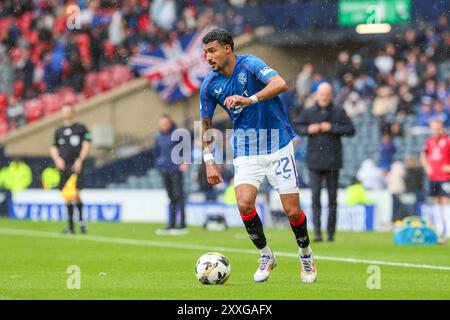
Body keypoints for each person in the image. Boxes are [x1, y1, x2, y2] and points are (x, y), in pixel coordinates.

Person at [200, 29, 316, 283]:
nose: (207, 56)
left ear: (227, 49)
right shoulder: (209, 85)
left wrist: (250, 99)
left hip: (278, 145)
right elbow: (206, 125)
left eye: (212, 50)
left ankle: (305, 254)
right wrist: (209, 161)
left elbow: (280, 83)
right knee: (243, 203)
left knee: (293, 212)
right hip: (246, 150)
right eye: (205, 51)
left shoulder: (250, 64)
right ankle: (266, 255)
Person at [295, 82, 355, 242]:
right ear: (317, 95)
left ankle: (330, 234)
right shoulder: (309, 112)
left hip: (333, 161)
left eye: (327, 94)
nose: (324, 97)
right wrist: (308, 130)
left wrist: (332, 127)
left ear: (331, 95)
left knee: (332, 199)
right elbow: (297, 127)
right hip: (314, 161)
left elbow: (351, 129)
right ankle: (317, 233)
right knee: (315, 198)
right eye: (322, 94)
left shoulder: (338, 111)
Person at [50, 105, 92, 234]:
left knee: (76, 193)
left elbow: (87, 144)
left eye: (68, 110)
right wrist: (57, 159)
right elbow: (53, 147)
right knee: (67, 196)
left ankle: (81, 222)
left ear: (73, 112)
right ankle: (71, 226)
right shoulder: (59, 130)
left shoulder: (81, 128)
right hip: (64, 167)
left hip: (76, 166)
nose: (66, 113)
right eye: (64, 111)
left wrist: (80, 159)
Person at [154, 114, 189, 235]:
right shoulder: (158, 136)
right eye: (161, 123)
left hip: (176, 169)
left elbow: (185, 148)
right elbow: (157, 152)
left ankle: (183, 225)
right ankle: (172, 224)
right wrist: (159, 165)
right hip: (165, 170)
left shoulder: (177, 134)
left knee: (178, 197)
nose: (163, 126)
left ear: (170, 123)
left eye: (165, 123)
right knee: (171, 198)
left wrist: (184, 162)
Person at [420, 119, 450, 243]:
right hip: (434, 177)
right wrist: (427, 166)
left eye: (437, 128)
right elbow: (423, 155)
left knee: (446, 201)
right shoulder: (429, 141)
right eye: (433, 128)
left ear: (441, 128)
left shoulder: (447, 140)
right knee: (436, 201)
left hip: (445, 177)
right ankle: (439, 228)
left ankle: (448, 229)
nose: (435, 130)